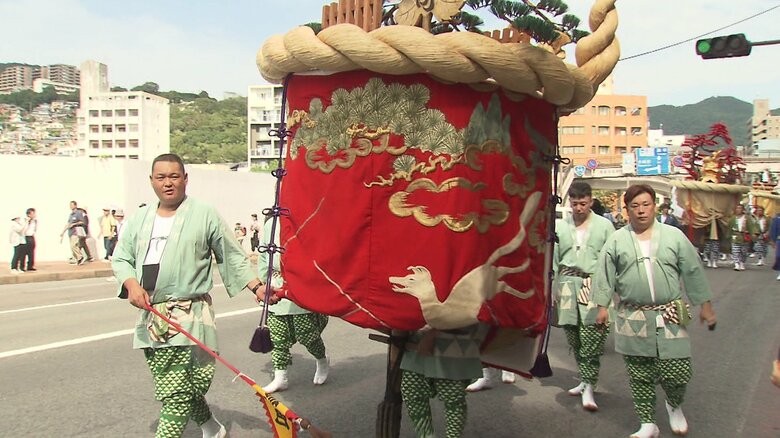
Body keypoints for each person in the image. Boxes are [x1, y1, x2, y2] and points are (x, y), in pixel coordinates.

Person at [112, 153, 263, 438]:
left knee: (177, 393)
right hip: (152, 316)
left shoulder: (204, 213)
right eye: (161, 177)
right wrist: (131, 283)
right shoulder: (139, 218)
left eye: (174, 176)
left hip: (190, 315)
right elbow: (121, 258)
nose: (168, 183)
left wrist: (257, 286)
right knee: (177, 385)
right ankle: (211, 427)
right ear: (152, 181)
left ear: (185, 179)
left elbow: (231, 255)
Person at [592, 184, 717, 438]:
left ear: (655, 206)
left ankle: (674, 404)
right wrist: (601, 307)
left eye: (645, 204)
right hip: (632, 315)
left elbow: (692, 271)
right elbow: (604, 275)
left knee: (678, 371)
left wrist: (705, 305)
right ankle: (647, 422)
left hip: (669, 313)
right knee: (640, 373)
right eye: (634, 206)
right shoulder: (616, 240)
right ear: (626, 210)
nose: (641, 211)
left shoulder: (674, 236)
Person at [553, 181, 615, 411]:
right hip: (567, 283)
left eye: (583, 203)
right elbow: (553, 259)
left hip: (593, 282)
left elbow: (611, 260)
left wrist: (609, 293)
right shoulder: (560, 226)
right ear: (570, 202)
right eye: (575, 203)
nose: (579, 208)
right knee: (574, 337)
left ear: (591, 201)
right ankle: (584, 377)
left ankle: (589, 384)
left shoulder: (605, 226)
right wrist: (554, 289)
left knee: (592, 337)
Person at [258, 213, 330, 393]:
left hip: (300, 286)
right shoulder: (270, 225)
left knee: (307, 335)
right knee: (277, 337)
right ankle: (280, 376)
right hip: (275, 285)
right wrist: (263, 284)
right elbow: (264, 257)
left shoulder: (307, 217)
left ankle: (321, 359)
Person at [401, 325, 487, 438]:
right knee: (412, 392)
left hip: (453, 342)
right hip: (416, 341)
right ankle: (426, 435)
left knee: (453, 397)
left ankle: (453, 436)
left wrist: (432, 334)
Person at [728, 204, 756, 271]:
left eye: (740, 208)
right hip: (735, 236)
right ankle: (736, 264)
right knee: (735, 251)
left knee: (744, 251)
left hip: (744, 236)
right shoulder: (733, 218)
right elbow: (729, 228)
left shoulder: (747, 218)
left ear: (743, 209)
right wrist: (728, 235)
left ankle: (742, 263)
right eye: (737, 208)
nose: (738, 210)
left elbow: (751, 227)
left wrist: (753, 234)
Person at [770, 210, 780, 281]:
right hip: (779, 240)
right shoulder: (777, 219)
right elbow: (773, 230)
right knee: (778, 256)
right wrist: (773, 240)